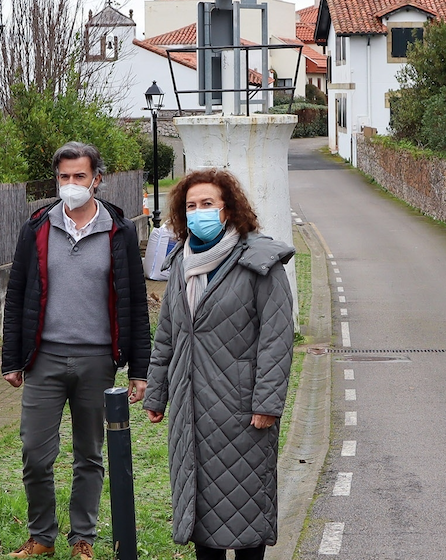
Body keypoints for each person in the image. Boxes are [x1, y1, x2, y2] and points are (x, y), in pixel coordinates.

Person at [1, 142, 151, 560]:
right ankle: (42, 536)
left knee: (90, 453)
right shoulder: (36, 229)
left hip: (97, 360)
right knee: (35, 452)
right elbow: (17, 298)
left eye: (79, 176)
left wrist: (140, 369)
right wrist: (11, 359)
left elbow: (135, 303)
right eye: (63, 177)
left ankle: (82, 537)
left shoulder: (118, 232)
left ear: (96, 179)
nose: (70, 184)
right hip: (44, 359)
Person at [142, 168, 294, 560]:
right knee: (200, 510)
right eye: (191, 206)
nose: (198, 212)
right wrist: (156, 395)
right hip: (190, 409)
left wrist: (267, 404)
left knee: (245, 508)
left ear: (227, 210)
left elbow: (277, 340)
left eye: (207, 204)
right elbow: (167, 336)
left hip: (240, 409)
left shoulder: (260, 261)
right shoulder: (180, 263)